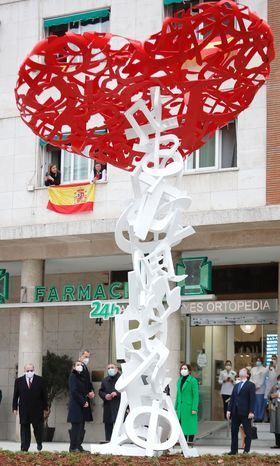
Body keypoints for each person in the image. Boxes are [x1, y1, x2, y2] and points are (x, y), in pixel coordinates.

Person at [12, 363, 48, 452]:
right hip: (24, 409)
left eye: (31, 370)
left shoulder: (40, 380)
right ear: (24, 371)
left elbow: (44, 396)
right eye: (28, 371)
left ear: (34, 370)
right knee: (24, 429)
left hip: (37, 409)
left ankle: (39, 442)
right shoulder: (19, 381)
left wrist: (45, 408)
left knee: (38, 429)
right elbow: (15, 396)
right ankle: (24, 448)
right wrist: (14, 408)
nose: (29, 372)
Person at [226, 367, 256, 455]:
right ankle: (234, 450)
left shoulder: (251, 385)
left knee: (247, 431)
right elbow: (232, 399)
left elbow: (252, 399)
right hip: (235, 412)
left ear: (247, 374)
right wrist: (229, 410)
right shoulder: (236, 385)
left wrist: (251, 411)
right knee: (234, 431)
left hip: (246, 412)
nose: (241, 371)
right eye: (240, 370)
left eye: (243, 370)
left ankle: (246, 450)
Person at [67, 360, 91, 453]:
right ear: (73, 367)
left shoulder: (81, 376)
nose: (79, 366)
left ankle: (78, 446)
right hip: (76, 404)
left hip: (82, 404)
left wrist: (88, 395)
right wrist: (83, 401)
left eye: (81, 365)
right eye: (77, 365)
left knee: (81, 426)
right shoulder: (73, 376)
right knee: (76, 426)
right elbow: (74, 391)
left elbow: (83, 390)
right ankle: (73, 447)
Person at [175, 363, 199, 446]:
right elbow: (178, 395)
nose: (183, 370)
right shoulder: (179, 380)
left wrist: (194, 408)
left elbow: (196, 395)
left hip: (189, 408)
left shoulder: (193, 380)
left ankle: (190, 445)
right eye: (182, 368)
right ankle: (184, 446)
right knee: (182, 427)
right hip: (181, 408)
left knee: (190, 426)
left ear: (189, 371)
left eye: (185, 368)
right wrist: (175, 407)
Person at [99, 363, 121, 442]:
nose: (110, 369)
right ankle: (108, 441)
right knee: (108, 424)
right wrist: (105, 396)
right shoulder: (105, 380)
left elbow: (127, 391)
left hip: (119, 406)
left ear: (117, 369)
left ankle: (119, 442)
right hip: (108, 405)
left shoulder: (122, 379)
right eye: (108, 368)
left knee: (119, 425)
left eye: (112, 367)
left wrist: (117, 393)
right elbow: (101, 391)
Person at [77, 349, 95, 445]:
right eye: (85, 357)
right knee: (79, 422)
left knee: (82, 422)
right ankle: (77, 445)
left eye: (88, 357)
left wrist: (91, 391)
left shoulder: (85, 367)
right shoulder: (78, 367)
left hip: (84, 397)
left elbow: (87, 382)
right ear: (80, 357)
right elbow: (77, 384)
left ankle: (79, 444)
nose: (87, 359)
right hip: (80, 399)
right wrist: (87, 393)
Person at [250, 357, 269, 422]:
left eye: (259, 360)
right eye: (257, 360)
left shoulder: (264, 369)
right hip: (253, 389)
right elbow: (251, 378)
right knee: (254, 404)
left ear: (262, 361)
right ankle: (254, 417)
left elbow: (263, 379)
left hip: (261, 389)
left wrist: (258, 386)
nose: (258, 362)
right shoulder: (253, 369)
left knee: (260, 404)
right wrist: (253, 386)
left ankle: (260, 417)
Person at [268, 374, 280, 449]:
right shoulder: (274, 387)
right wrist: (273, 396)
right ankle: (277, 443)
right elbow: (269, 396)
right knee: (276, 426)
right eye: (278, 380)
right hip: (275, 407)